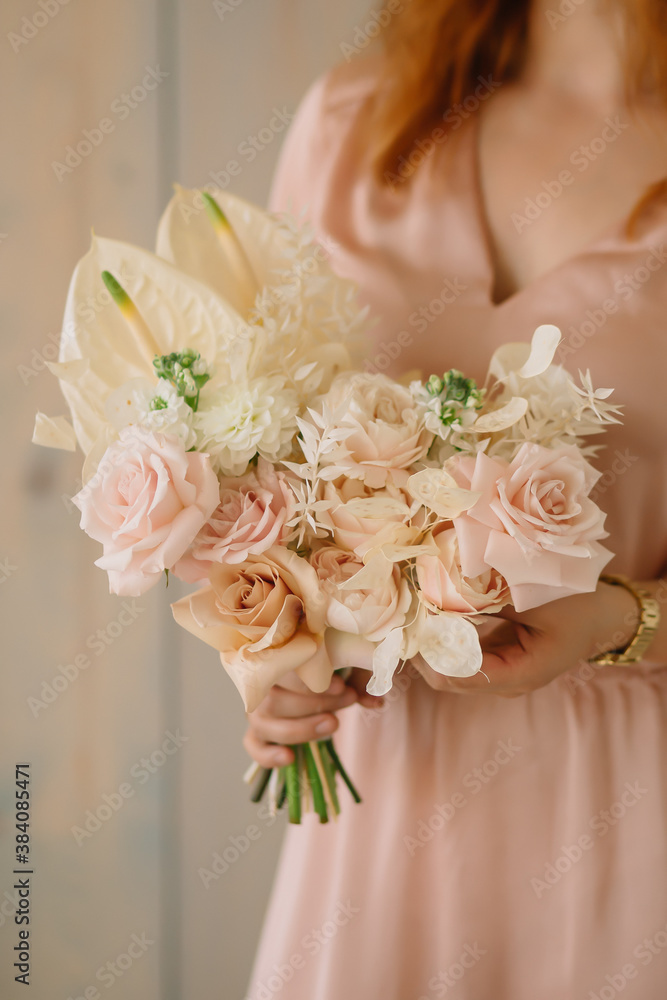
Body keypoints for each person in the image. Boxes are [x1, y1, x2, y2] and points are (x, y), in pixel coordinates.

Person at [244, 1, 667, 996]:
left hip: (633, 817)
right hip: (383, 821)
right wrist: (272, 666)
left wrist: (621, 618)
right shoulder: (355, 121)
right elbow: (265, 453)